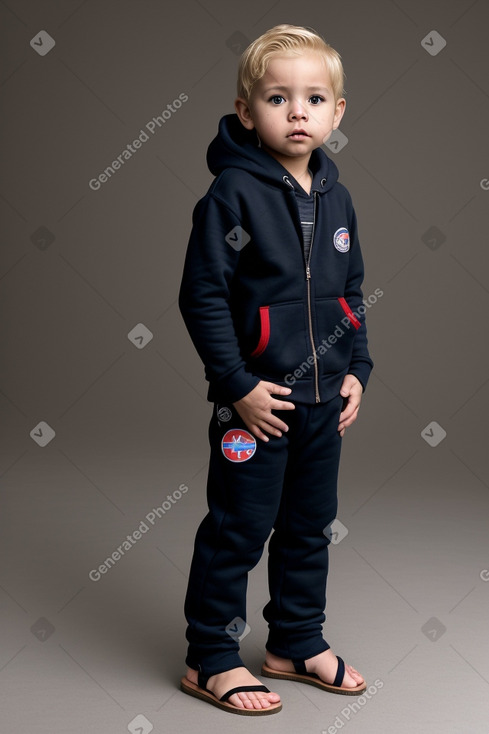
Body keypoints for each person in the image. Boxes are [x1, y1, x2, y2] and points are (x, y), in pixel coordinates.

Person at [178, 24, 374, 716]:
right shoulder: (232, 194)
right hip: (256, 405)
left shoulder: (337, 199)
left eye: (314, 97)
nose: (297, 111)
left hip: (323, 405)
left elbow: (350, 296)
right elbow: (200, 295)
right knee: (239, 527)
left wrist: (357, 371)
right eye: (277, 97)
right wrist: (236, 385)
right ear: (245, 111)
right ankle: (210, 658)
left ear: (336, 112)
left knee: (308, 527)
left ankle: (293, 642)